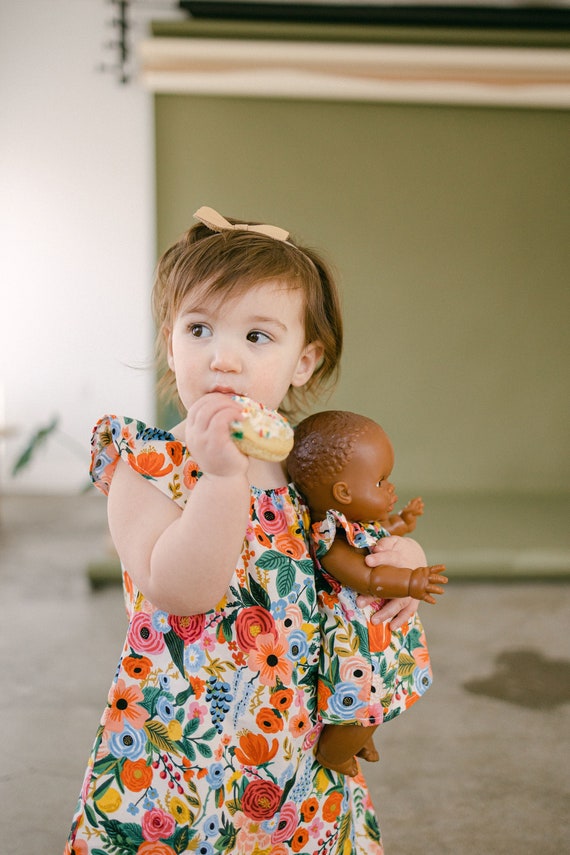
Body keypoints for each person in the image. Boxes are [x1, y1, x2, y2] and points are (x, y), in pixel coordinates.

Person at [65, 206, 422, 855]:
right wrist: (222, 478)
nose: (223, 356)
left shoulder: (305, 468)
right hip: (184, 747)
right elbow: (180, 587)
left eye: (257, 337)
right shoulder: (145, 466)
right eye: (200, 328)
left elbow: (345, 552)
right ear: (170, 340)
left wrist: (400, 556)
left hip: (289, 733)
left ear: (303, 361)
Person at [287, 410, 447, 776]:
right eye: (380, 481)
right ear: (342, 492)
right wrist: (409, 583)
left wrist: (399, 524)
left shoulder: (355, 521)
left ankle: (360, 735)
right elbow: (365, 576)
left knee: (382, 698)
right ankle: (334, 752)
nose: (390, 488)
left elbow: (374, 537)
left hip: (375, 634)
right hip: (355, 645)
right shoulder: (329, 539)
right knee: (366, 701)